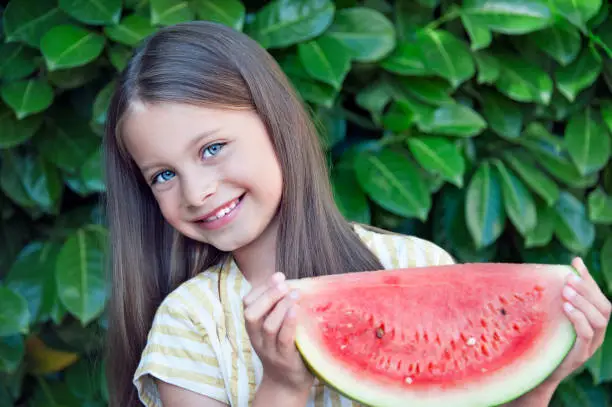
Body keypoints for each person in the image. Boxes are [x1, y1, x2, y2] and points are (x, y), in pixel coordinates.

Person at [102, 21, 610, 407]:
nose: (197, 191)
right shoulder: (189, 325)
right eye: (162, 175)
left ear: (277, 125)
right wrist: (281, 385)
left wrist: (534, 385)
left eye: (212, 148)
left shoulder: (418, 265)